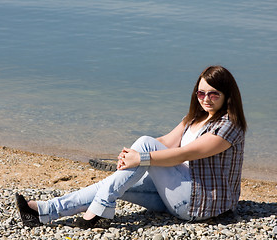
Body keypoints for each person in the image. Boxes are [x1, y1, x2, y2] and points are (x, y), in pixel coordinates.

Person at [15, 65, 247, 228]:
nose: (206, 99)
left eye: (213, 94)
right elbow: (166, 143)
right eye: (201, 93)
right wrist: (131, 156)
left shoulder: (228, 126)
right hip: (178, 192)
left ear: (227, 96)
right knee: (112, 184)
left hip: (201, 204)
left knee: (144, 145)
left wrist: (141, 158)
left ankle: (99, 210)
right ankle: (44, 211)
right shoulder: (194, 118)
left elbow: (184, 153)